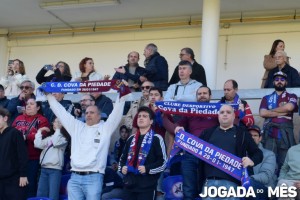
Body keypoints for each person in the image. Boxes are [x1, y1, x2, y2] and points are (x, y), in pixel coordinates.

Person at [45, 90, 125, 200]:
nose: (88, 115)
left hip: (94, 177)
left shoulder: (105, 128)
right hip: (74, 177)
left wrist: (122, 95)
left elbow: (116, 114)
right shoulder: (77, 127)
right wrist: (49, 95)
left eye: (92, 112)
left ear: (99, 116)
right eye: (86, 113)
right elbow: (60, 112)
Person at [163, 86, 219, 200]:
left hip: (210, 154)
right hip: (191, 153)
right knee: (188, 189)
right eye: (200, 94)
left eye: (205, 93)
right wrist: (177, 128)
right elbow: (178, 124)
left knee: (207, 190)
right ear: (196, 96)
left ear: (210, 96)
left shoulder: (217, 110)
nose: (202, 95)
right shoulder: (191, 111)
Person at [199, 105, 263, 200]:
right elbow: (193, 149)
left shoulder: (243, 133)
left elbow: (258, 153)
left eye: (228, 112)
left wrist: (251, 161)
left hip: (232, 184)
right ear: (218, 116)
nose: (225, 114)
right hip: (209, 183)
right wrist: (181, 133)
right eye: (222, 112)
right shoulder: (207, 133)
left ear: (234, 116)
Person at [119, 106, 167, 200]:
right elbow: (122, 158)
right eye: (139, 116)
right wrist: (122, 168)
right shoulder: (131, 139)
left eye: (145, 116)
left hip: (147, 187)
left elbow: (163, 162)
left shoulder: (157, 138)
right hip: (129, 185)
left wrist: (147, 169)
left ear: (151, 121)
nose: (140, 118)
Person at [259, 71, 298, 172]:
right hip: (269, 134)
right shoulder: (266, 98)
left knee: (285, 163)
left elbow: (289, 107)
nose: (279, 81)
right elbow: (263, 113)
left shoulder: (291, 96)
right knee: (268, 162)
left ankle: (282, 185)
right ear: (273, 82)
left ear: (286, 82)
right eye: (276, 79)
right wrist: (281, 112)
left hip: (285, 134)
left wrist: (270, 111)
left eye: (282, 79)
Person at [12, 98, 50, 198]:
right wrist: (25, 136)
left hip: (32, 158)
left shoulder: (42, 120)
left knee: (30, 184)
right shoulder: (18, 118)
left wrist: (25, 136)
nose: (28, 106)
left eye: (32, 104)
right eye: (27, 104)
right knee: (16, 185)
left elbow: (43, 135)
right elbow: (11, 134)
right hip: (16, 158)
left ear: (38, 107)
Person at [34, 117, 69, 200]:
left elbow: (56, 142)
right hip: (44, 168)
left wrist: (57, 130)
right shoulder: (50, 137)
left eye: (58, 122)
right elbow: (38, 144)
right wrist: (39, 131)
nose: (55, 124)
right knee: (41, 194)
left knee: (53, 195)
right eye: (54, 122)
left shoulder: (64, 138)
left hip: (55, 169)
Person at [0, 108, 28, 200]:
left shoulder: (15, 133)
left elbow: (22, 155)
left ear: (5, 118)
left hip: (14, 179)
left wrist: (23, 175)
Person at [248, 125, 277, 200]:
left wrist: (245, 179)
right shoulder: (240, 152)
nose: (252, 137)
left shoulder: (269, 154)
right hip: (244, 186)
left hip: (264, 188)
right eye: (250, 135)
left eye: (255, 135)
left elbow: (265, 177)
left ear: (260, 138)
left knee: (249, 186)